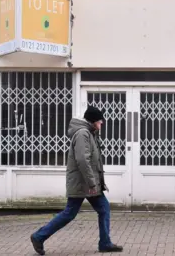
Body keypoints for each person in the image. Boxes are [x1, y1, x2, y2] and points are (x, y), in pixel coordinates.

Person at [30, 106, 123, 255]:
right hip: (82, 183)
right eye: (100, 120)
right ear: (93, 121)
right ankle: (38, 236)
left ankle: (105, 243)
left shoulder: (90, 133)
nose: (102, 123)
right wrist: (92, 183)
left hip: (87, 182)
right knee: (70, 213)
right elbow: (83, 160)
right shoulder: (82, 134)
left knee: (103, 208)